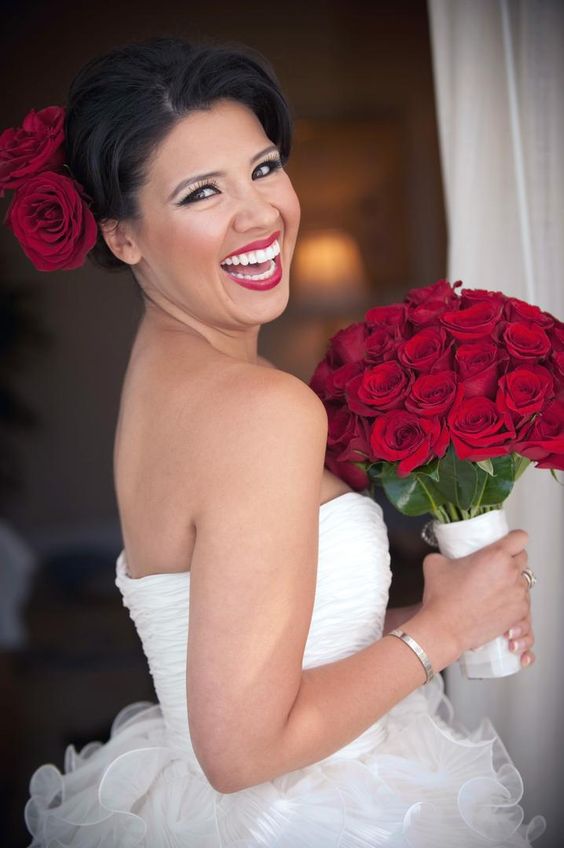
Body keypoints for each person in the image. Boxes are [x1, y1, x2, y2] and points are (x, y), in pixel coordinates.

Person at [4, 35, 547, 847]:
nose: (259, 214)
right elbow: (244, 749)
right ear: (122, 237)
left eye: (263, 169)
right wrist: (438, 632)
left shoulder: (164, 382)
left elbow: (251, 649)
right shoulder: (260, 410)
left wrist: (453, 612)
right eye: (200, 194)